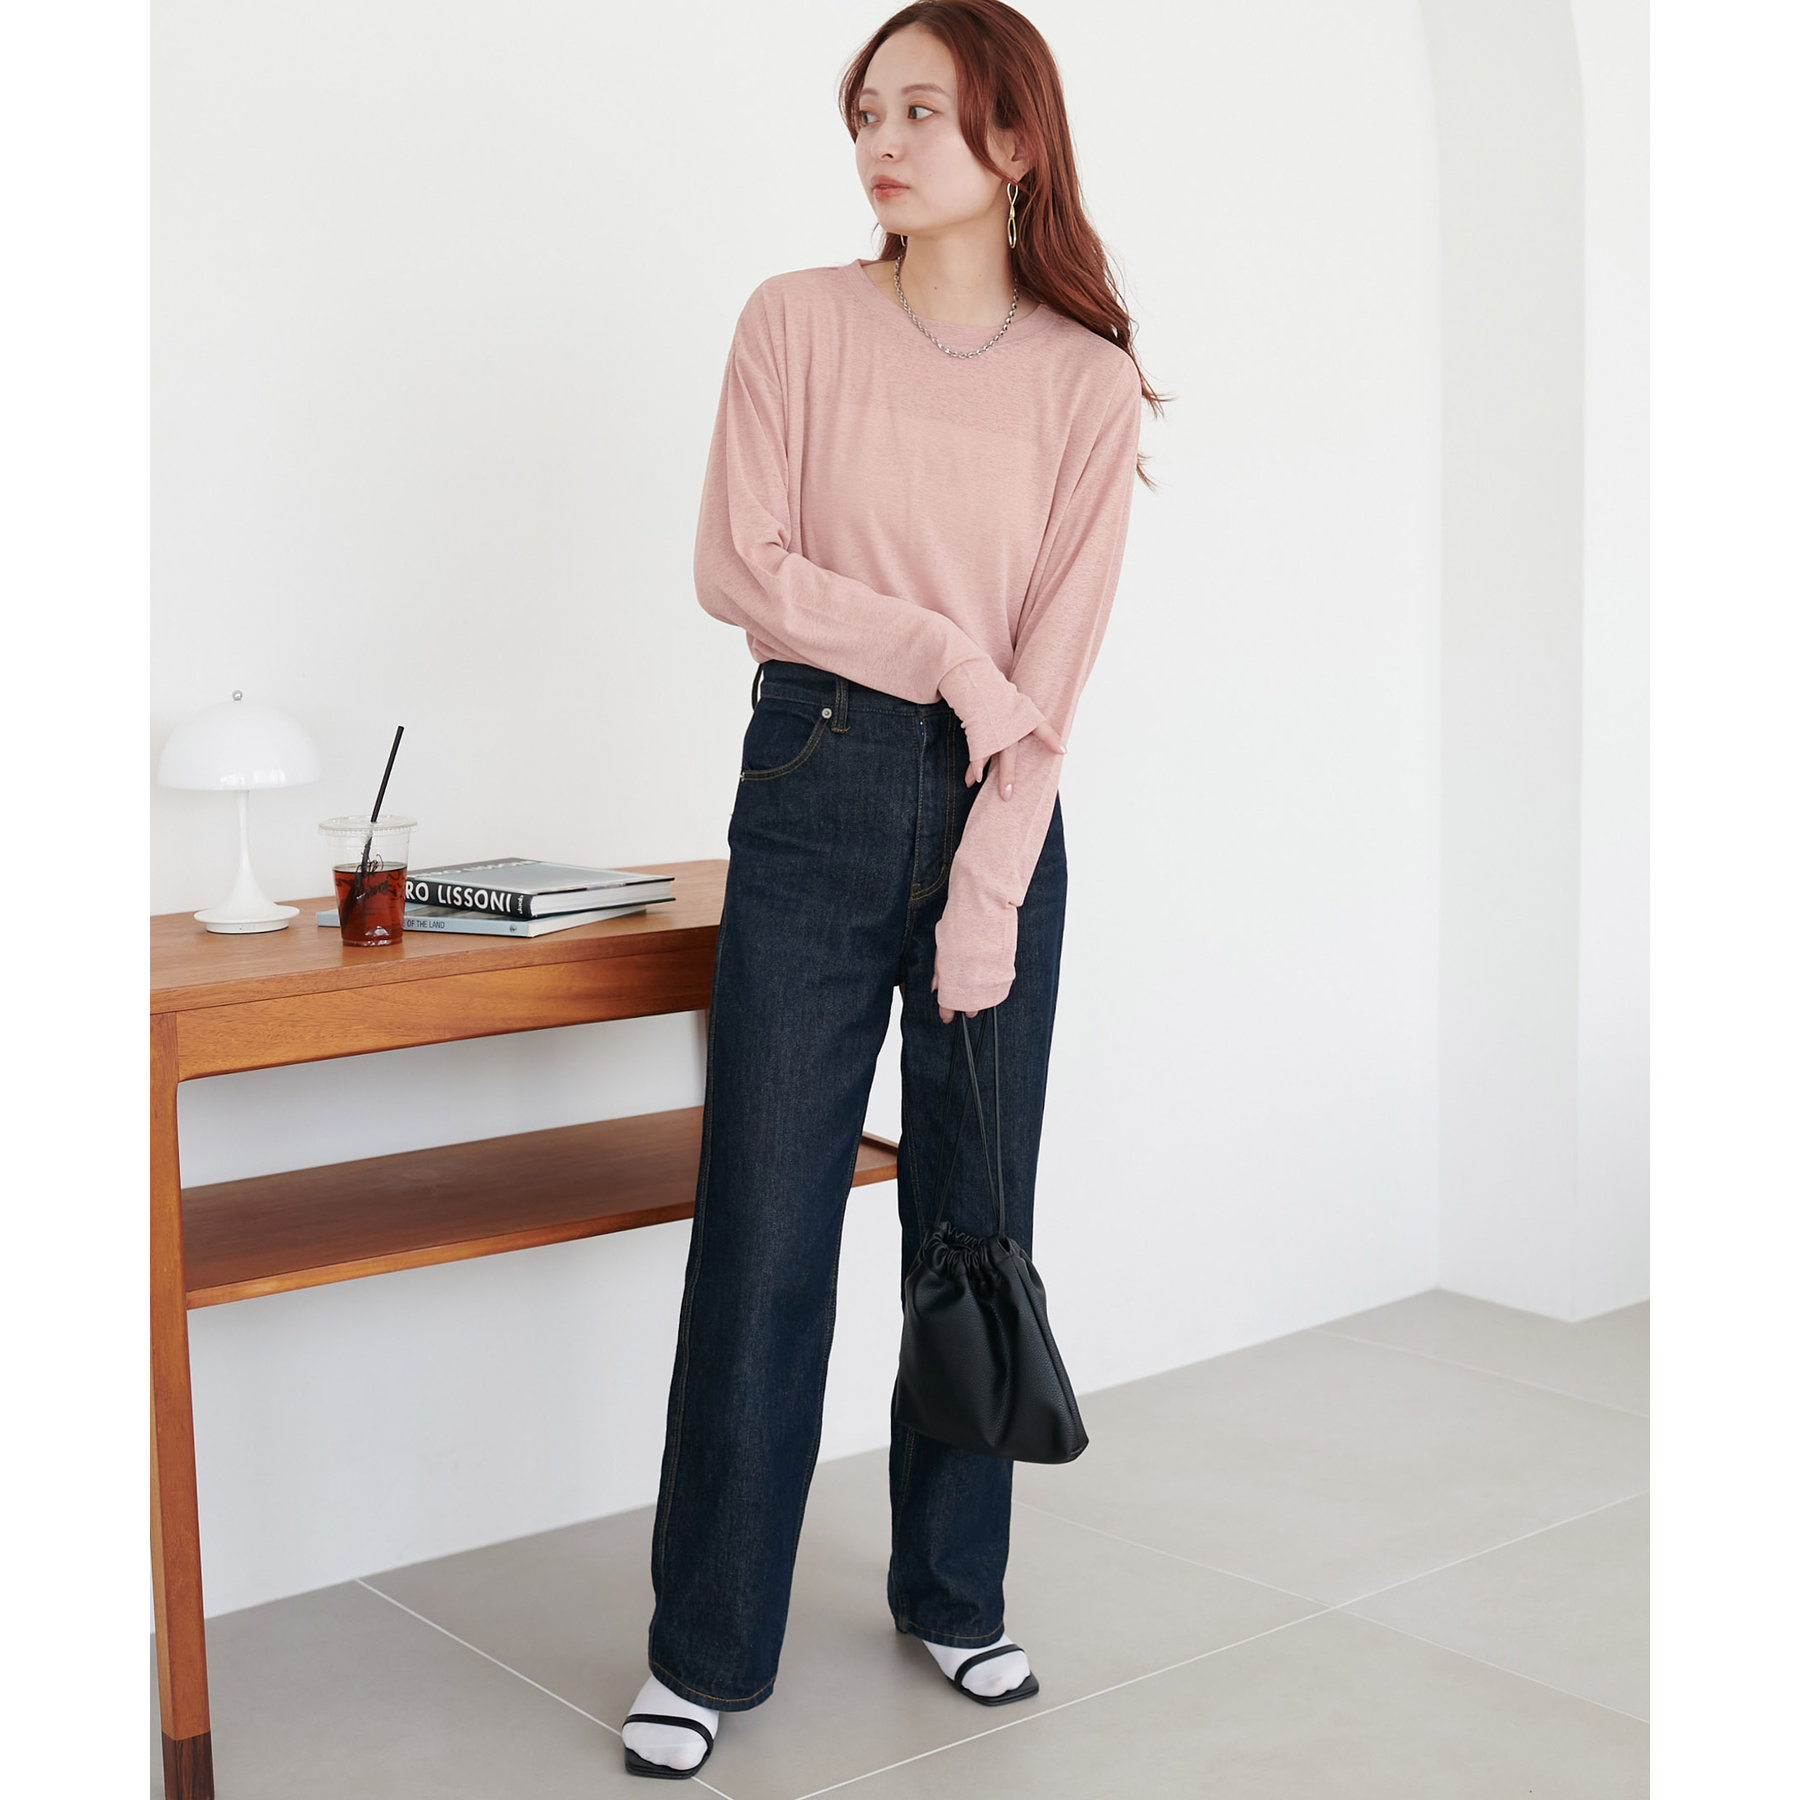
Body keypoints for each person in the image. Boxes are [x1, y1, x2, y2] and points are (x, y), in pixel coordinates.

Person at [621, 0, 1161, 1777]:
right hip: (816, 776)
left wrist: (993, 877)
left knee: (973, 1224)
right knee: (765, 1225)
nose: (883, 140)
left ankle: (954, 1591)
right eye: (868, 110)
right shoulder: (795, 321)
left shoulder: (1086, 380)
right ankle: (705, 1645)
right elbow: (741, 565)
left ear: (1015, 142)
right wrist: (940, 651)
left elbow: (1056, 670)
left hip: (1005, 802)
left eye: (923, 110)